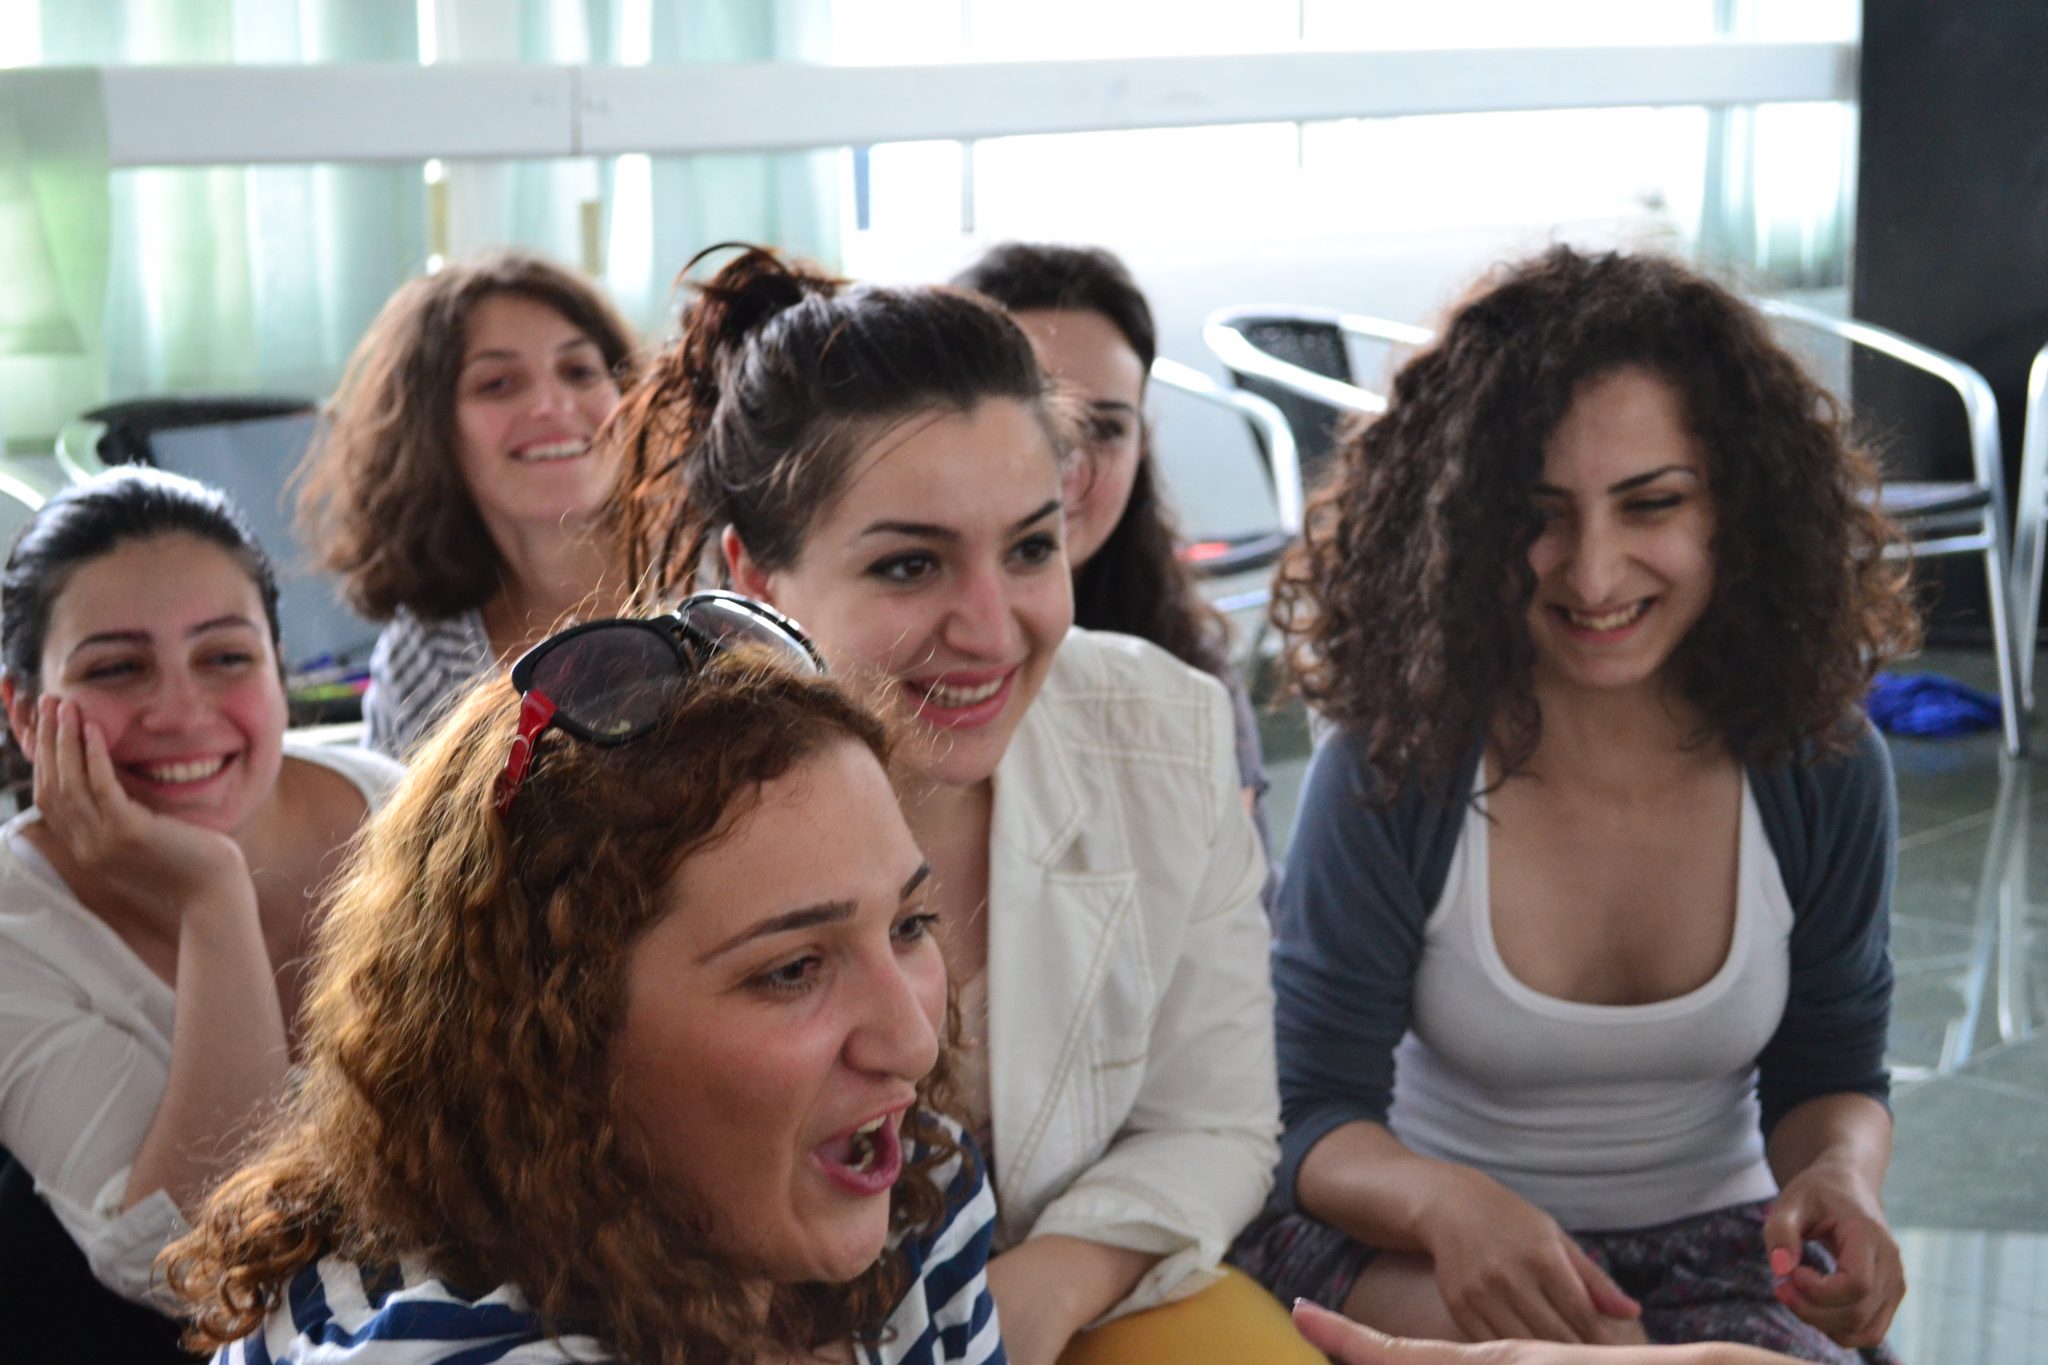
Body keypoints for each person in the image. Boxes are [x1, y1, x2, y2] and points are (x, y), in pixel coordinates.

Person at [606, 246, 1307, 1365]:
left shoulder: (1160, 732)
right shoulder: (630, 800)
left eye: (1030, 548)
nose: (990, 629)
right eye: (908, 568)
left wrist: (1043, 1288)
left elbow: (1213, 1122)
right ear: (755, 579)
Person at [1238, 247, 1920, 1362]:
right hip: (1425, 1247)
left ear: (1735, 512)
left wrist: (1842, 1178)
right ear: (1456, 528)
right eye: (1536, 517)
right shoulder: (1394, 764)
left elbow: (1830, 1071)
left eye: (1649, 504)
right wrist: (1448, 1205)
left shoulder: (1822, 764)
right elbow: (1307, 1115)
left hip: (1717, 1251)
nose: (1591, 575)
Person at [163, 601, 1003, 1364]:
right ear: (553, 1036)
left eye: (909, 926)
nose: (912, 1043)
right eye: (791, 971)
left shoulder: (919, 1196)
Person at [0, 468, 402, 1325]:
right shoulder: (13, 921)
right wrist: (211, 893)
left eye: (225, 656)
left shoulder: (401, 814)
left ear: (279, 669)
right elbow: (189, 1262)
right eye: (116, 667)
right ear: (26, 715)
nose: (179, 710)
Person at [949, 243, 1272, 879]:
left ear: (1143, 443)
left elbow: (1243, 918)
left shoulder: (1186, 679)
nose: (1068, 467)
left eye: (1105, 427)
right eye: (1032, 419)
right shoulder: (899, 654)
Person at [295, 250, 640, 757]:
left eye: (580, 370)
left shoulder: (726, 573)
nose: (553, 404)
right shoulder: (428, 657)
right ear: (430, 434)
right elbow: (403, 838)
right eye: (497, 384)